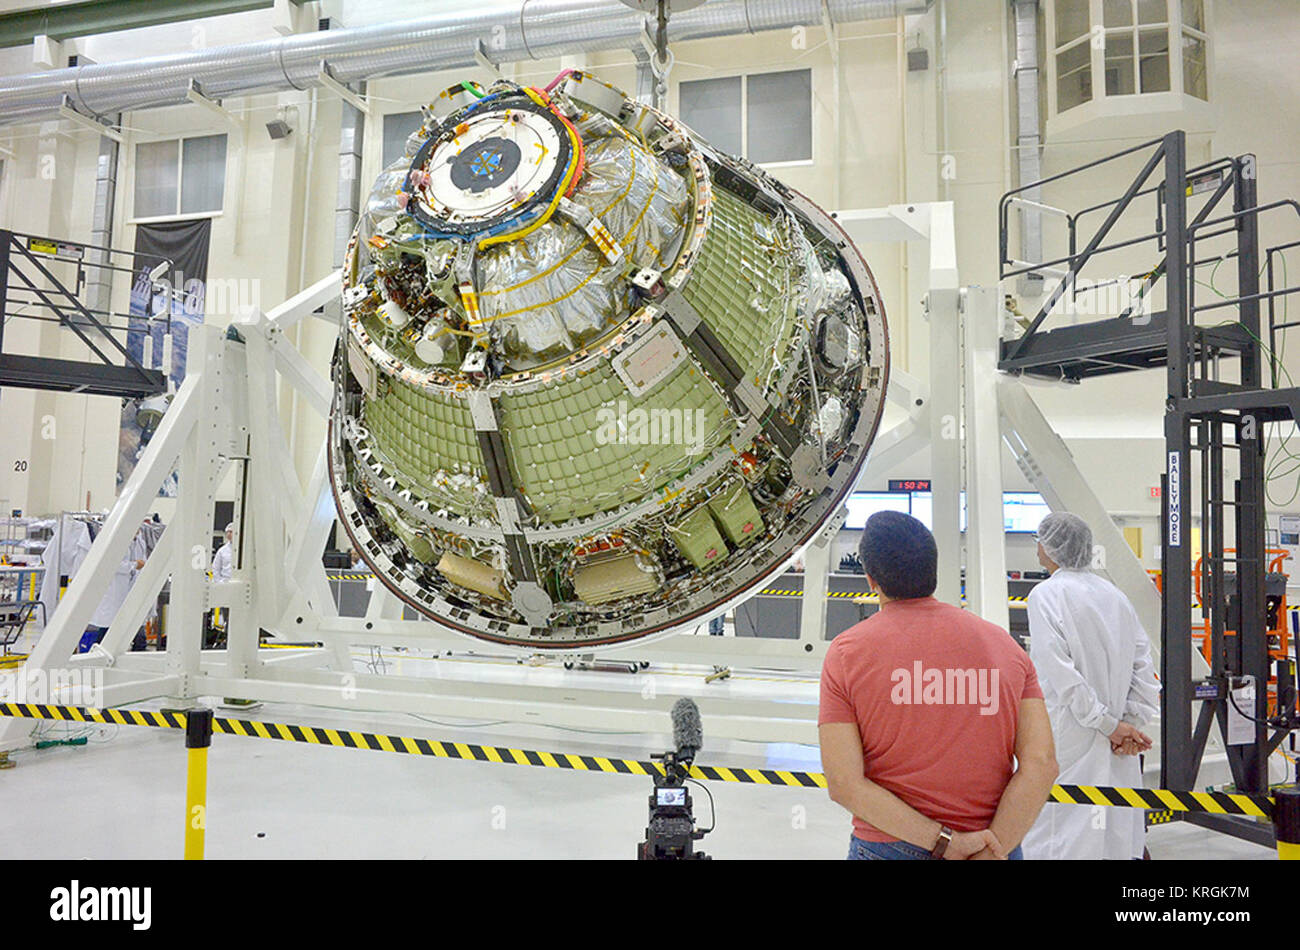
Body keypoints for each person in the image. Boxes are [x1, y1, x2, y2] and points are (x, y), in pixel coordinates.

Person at [819, 511, 1058, 860]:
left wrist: (944, 842)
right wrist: (995, 848)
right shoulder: (1004, 645)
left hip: (890, 846)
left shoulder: (846, 653)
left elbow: (844, 783)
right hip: (991, 845)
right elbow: (1042, 762)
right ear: (933, 569)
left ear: (871, 579)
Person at [1021, 512, 1160, 861]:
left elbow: (1062, 677)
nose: (1038, 547)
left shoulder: (1046, 595)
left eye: (1040, 539)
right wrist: (1129, 725)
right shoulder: (1115, 596)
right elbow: (1144, 668)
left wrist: (1110, 726)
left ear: (1051, 548)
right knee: (1111, 828)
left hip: (1069, 734)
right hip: (1116, 740)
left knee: (1062, 830)